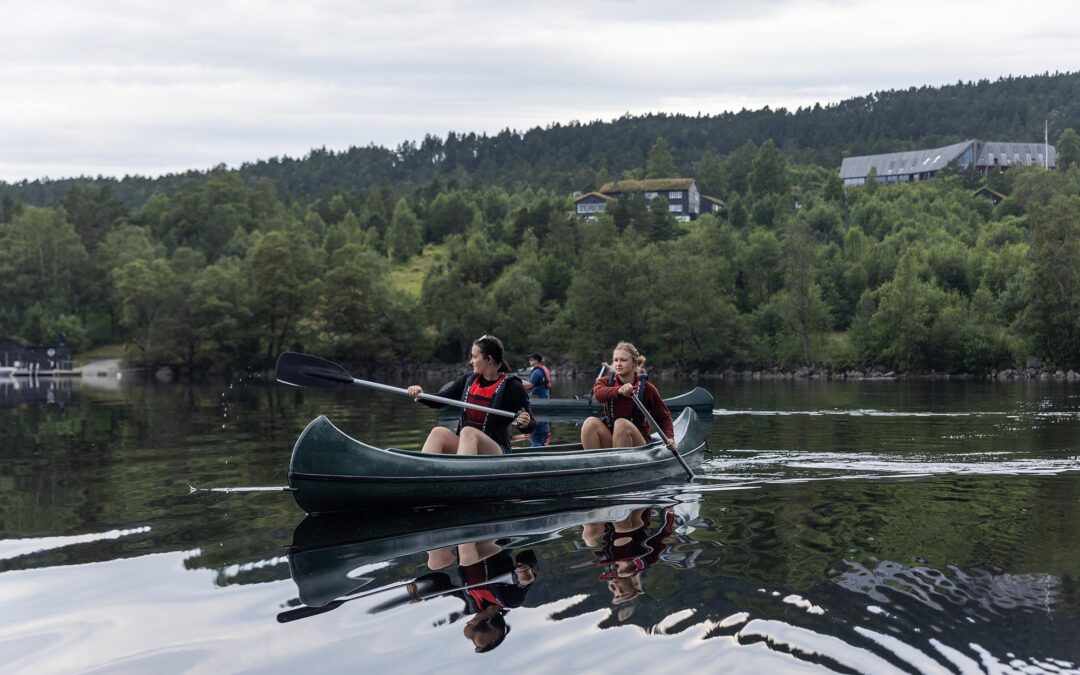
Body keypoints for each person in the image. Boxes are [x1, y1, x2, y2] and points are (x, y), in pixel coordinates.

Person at [408, 335, 534, 455]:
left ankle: (461, 472)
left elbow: (530, 425)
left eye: (474, 357)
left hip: (497, 450)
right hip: (467, 445)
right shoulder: (468, 380)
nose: (471, 361)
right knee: (438, 432)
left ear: (489, 359)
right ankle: (424, 470)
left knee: (468, 432)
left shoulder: (513, 387)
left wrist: (524, 423)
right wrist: (420, 395)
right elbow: (440, 400)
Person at [580, 342, 675, 451]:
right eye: (616, 360)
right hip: (611, 438)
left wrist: (669, 438)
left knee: (621, 424)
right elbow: (598, 395)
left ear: (634, 363)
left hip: (638, 441)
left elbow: (663, 417)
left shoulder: (648, 388)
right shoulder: (605, 382)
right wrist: (619, 390)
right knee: (589, 423)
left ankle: (621, 463)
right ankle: (596, 463)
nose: (618, 364)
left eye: (623, 360)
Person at [522, 353, 553, 447]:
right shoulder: (542, 369)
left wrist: (515, 383)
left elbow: (529, 385)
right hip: (543, 397)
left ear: (536, 361)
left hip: (538, 397)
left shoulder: (536, 372)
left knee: (520, 396)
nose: (529, 361)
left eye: (531, 359)